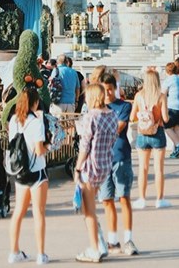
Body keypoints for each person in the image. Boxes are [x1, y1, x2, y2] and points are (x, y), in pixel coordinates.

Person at [74, 82, 119, 263]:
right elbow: (114, 137)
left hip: (90, 166)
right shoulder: (112, 115)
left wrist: (77, 167)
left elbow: (85, 146)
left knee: (88, 211)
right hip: (104, 164)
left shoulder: (91, 117)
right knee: (90, 207)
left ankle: (94, 248)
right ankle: (98, 242)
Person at [7, 82, 50, 265]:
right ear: (34, 102)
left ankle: (14, 251)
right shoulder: (35, 122)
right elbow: (40, 151)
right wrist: (50, 145)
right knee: (38, 213)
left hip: (20, 171)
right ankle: (41, 254)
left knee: (18, 212)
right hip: (36, 171)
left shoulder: (14, 121)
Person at [99, 73, 138, 256]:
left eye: (109, 89)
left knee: (124, 197)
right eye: (104, 90)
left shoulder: (124, 106)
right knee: (107, 200)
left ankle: (128, 239)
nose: (107, 93)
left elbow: (118, 128)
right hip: (102, 158)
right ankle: (112, 240)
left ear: (115, 88)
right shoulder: (97, 107)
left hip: (120, 155)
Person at [130, 66, 170, 210]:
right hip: (157, 132)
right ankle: (160, 199)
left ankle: (142, 198)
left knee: (143, 168)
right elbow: (165, 118)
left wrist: (143, 116)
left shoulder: (139, 96)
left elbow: (131, 117)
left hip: (142, 133)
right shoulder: (161, 96)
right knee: (159, 169)